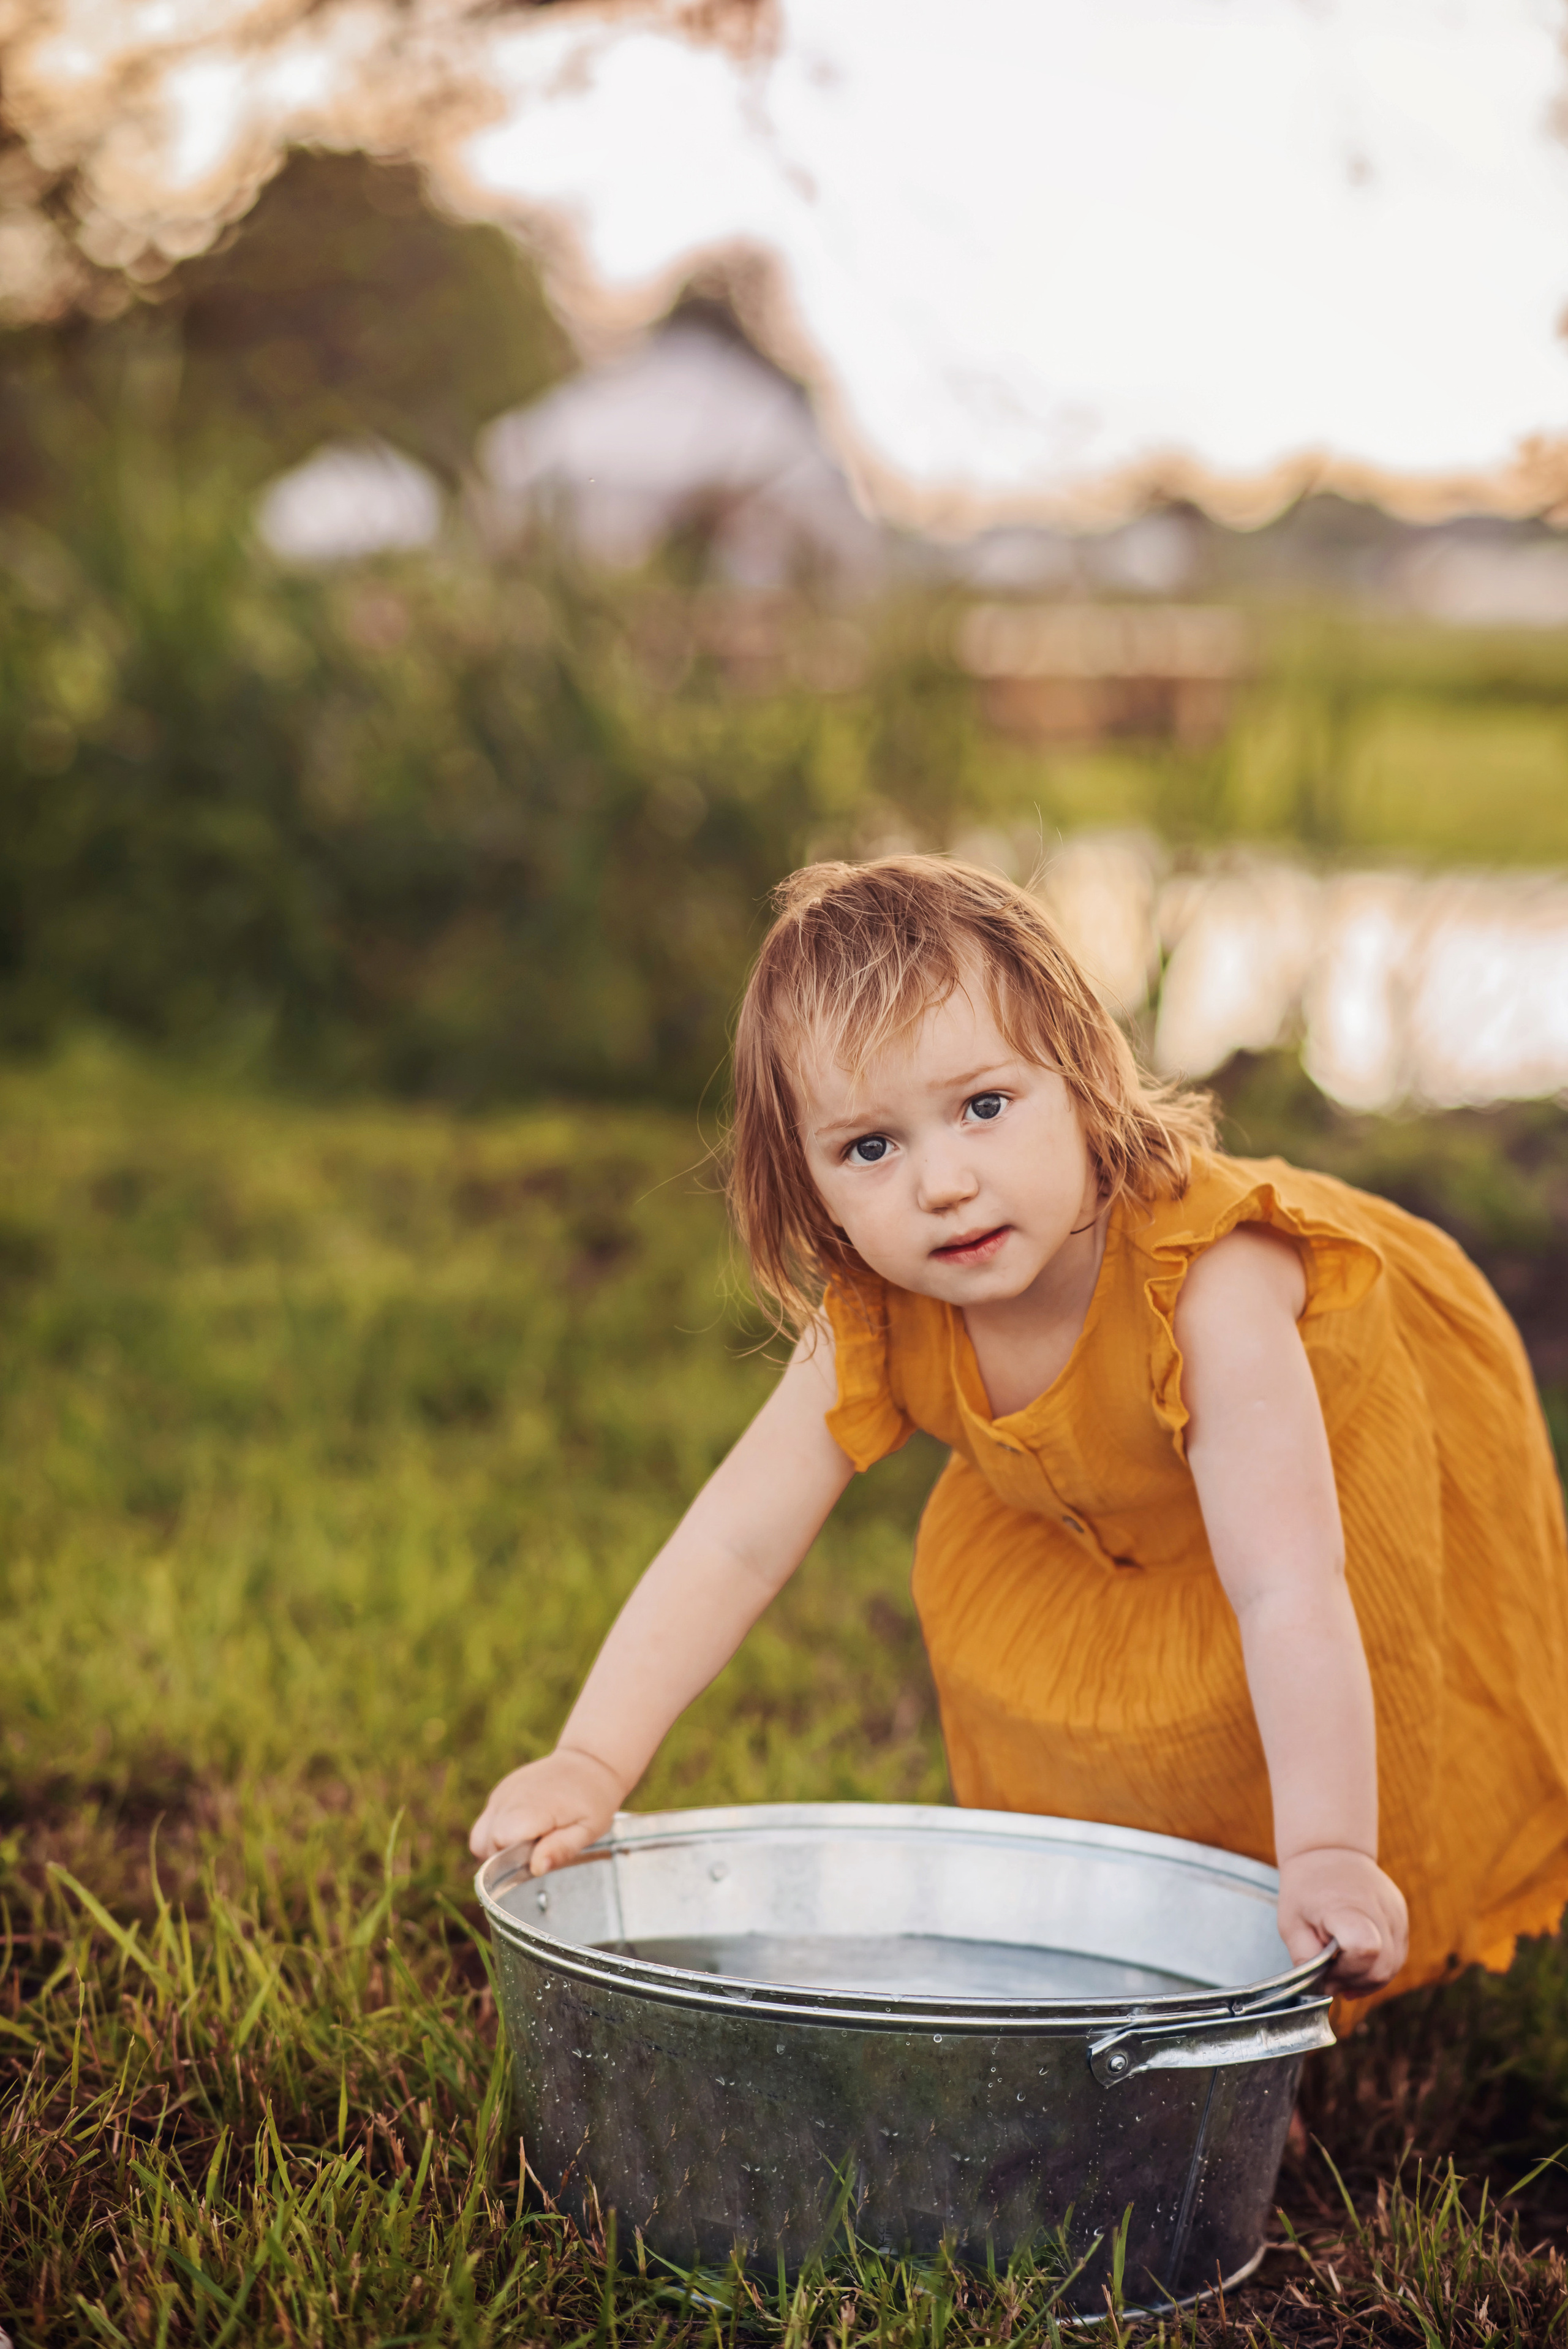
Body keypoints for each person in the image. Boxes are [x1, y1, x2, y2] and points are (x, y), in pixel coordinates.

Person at [470, 855, 1568, 2013]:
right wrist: (591, 1760)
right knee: (1093, 1702)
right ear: (809, 1183)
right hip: (1104, 1514)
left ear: (1084, 1080)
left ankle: (1287, 1960)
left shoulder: (1210, 1287)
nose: (943, 1182)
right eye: (870, 1148)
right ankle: (1156, 1968)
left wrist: (1335, 1847)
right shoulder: (877, 1309)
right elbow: (735, 1541)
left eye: (984, 1106)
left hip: (1317, 1468)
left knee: (1296, 1704)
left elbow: (1289, 1587)